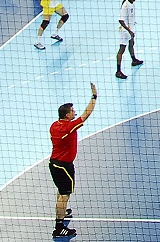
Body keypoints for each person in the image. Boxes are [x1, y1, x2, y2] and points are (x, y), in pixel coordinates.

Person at [48, 83, 98, 239]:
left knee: (61, 191)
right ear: (67, 115)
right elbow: (86, 115)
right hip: (63, 166)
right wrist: (94, 97)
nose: (74, 112)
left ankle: (62, 212)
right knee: (64, 194)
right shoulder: (67, 127)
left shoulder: (55, 125)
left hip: (54, 164)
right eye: (72, 111)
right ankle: (59, 227)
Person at [115, 0, 143, 79]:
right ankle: (118, 71)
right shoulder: (125, 6)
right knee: (121, 50)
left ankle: (134, 60)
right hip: (125, 31)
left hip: (130, 29)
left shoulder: (132, 3)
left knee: (131, 44)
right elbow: (121, 21)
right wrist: (129, 31)